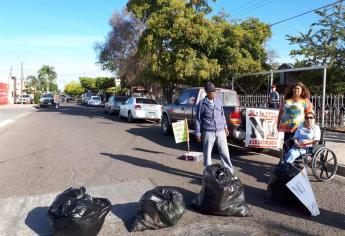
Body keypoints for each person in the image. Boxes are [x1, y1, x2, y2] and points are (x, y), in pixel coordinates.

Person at [195, 82, 234, 174]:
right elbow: (198, 119)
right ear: (207, 92)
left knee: (225, 153)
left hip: (220, 131)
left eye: (215, 92)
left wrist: (225, 126)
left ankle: (229, 172)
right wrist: (198, 132)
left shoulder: (218, 102)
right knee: (207, 155)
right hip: (208, 132)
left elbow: (222, 115)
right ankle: (209, 174)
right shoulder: (201, 104)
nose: (214, 94)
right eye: (212, 92)